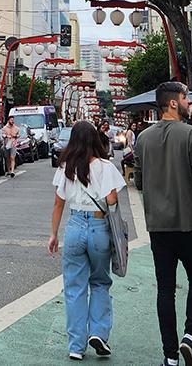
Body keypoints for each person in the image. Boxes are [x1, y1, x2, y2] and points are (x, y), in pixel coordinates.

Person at [134, 82, 192, 366]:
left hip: (157, 226)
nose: (188, 102)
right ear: (173, 103)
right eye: (184, 98)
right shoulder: (191, 134)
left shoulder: (142, 138)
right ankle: (190, 337)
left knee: (165, 290)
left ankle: (170, 357)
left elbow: (138, 181)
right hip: (188, 224)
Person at [48, 121, 125, 361]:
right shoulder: (105, 166)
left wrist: (53, 234)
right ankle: (99, 334)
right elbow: (111, 200)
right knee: (100, 282)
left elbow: (58, 203)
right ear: (95, 139)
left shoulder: (66, 166)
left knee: (74, 288)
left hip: (73, 227)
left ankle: (75, 346)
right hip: (98, 226)